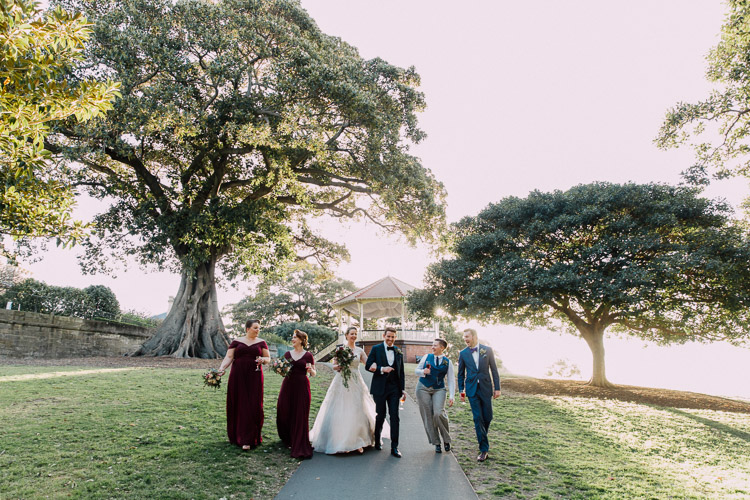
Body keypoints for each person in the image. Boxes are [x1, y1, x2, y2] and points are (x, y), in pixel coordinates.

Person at [310, 326, 387, 454]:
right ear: (346, 335)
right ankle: (341, 441)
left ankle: (359, 441)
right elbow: (334, 366)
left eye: (355, 334)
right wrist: (339, 366)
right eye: (351, 334)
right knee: (341, 408)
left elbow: (368, 364)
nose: (354, 336)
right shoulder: (340, 350)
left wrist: (380, 368)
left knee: (357, 408)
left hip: (356, 381)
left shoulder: (360, 350)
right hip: (342, 381)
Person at [218, 319, 270, 450]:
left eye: (259, 328)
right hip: (238, 375)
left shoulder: (262, 343)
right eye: (255, 328)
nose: (258, 330)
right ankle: (237, 436)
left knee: (253, 404)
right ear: (247, 329)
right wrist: (221, 368)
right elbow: (229, 357)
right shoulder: (237, 342)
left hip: (255, 375)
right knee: (239, 402)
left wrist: (263, 359)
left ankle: (249, 438)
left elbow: (268, 359)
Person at [457, 328, 500, 462]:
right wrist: (461, 390)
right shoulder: (463, 353)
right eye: (464, 337)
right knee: (478, 418)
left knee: (488, 417)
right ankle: (483, 450)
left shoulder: (487, 350)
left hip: (486, 388)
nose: (465, 339)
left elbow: (494, 369)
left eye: (467, 337)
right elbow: (460, 373)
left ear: (474, 336)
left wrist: (497, 388)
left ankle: (482, 437)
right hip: (472, 390)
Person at [366, 326, 406, 458]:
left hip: (395, 388)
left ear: (395, 337)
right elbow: (368, 365)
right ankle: (377, 440)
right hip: (380, 388)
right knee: (381, 415)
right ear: (384, 336)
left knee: (395, 416)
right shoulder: (376, 349)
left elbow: (401, 372)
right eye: (388, 336)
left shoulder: (398, 351)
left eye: (393, 337)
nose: (390, 339)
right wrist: (382, 369)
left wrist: (403, 389)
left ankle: (395, 447)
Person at [276, 329, 316, 459]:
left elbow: (313, 373)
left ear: (301, 339)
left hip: (302, 386)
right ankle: (287, 437)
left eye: (294, 337)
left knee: (300, 413)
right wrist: (280, 369)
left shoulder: (308, 355)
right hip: (288, 385)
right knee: (284, 410)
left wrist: (310, 370)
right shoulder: (288, 354)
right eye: (292, 337)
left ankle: (298, 440)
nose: (292, 339)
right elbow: (283, 372)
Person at [415, 338, 455, 453]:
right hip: (423, 388)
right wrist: (423, 372)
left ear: (441, 348)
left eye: (435, 345)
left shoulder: (448, 362)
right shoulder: (427, 357)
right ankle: (436, 442)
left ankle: (446, 440)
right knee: (428, 416)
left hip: (439, 389)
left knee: (438, 413)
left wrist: (452, 396)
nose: (432, 347)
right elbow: (416, 370)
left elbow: (451, 380)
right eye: (432, 345)